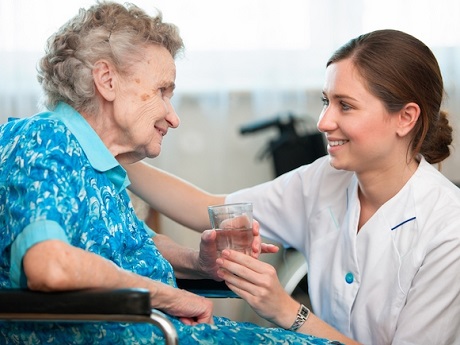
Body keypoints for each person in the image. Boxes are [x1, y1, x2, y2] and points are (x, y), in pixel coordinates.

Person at [0, 2, 341, 345]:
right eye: (162, 91)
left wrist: (200, 263)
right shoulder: (44, 139)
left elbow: (134, 247)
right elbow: (50, 267)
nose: (173, 117)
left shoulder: (96, 164)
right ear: (106, 81)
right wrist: (171, 297)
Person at [125, 29, 460, 344]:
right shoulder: (324, 179)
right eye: (326, 101)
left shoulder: (448, 229)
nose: (323, 122)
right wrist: (112, 154)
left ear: (406, 117)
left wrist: (286, 310)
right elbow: (206, 207)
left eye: (345, 105)